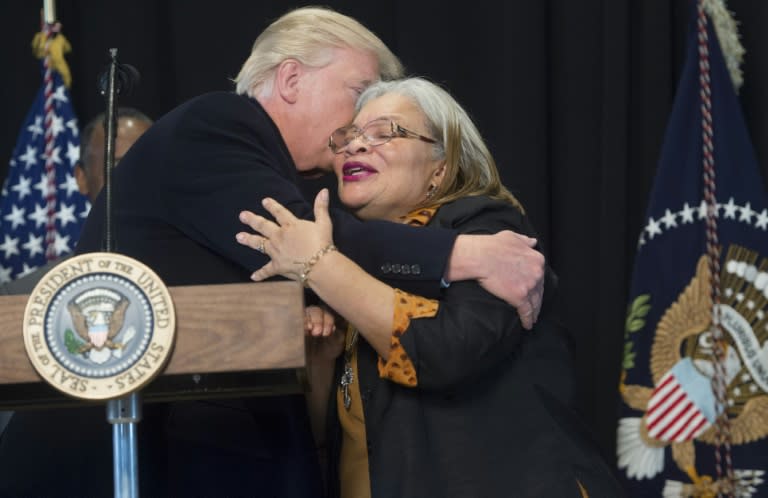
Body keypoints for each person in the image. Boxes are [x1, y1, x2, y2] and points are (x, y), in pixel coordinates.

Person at [0, 7, 545, 498]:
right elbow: (318, 239)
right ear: (289, 79)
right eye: (357, 94)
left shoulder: (285, 171)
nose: (356, 125)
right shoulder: (216, 127)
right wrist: (473, 256)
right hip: (125, 457)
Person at [236, 77, 627, 497]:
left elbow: (443, 353)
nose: (354, 146)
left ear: (441, 168)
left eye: (385, 133)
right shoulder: (351, 262)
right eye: (349, 136)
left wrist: (318, 266)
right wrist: (321, 358)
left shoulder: (488, 229)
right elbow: (324, 442)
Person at [0, 107, 152, 443]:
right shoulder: (19, 298)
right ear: (82, 178)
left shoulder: (200, 287)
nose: (136, 177)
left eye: (150, 164)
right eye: (119, 164)